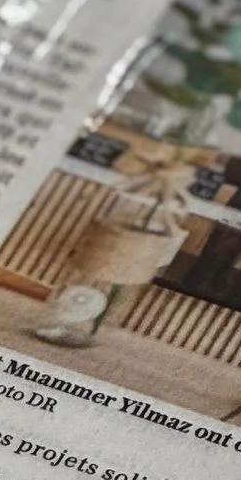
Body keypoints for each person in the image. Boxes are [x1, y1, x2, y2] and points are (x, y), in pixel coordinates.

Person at [34, 146, 201, 345]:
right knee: (83, 282)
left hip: (135, 253)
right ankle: (60, 322)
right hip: (109, 247)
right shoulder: (136, 192)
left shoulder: (169, 204)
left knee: (114, 287)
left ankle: (91, 330)